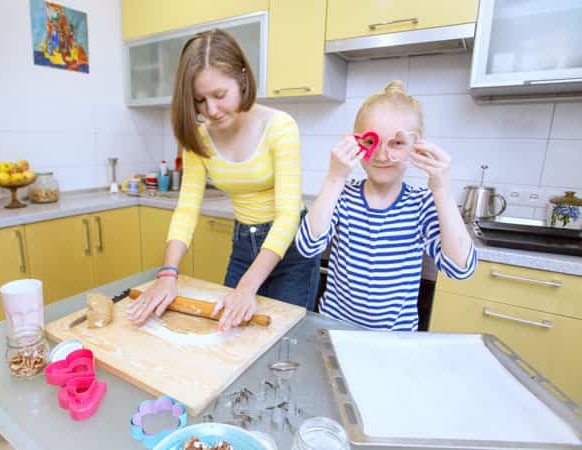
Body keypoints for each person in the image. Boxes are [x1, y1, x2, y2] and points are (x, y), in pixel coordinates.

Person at [128, 29, 320, 331]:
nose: (211, 110)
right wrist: (168, 274)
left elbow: (287, 216)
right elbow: (187, 209)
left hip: (292, 250)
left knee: (285, 339)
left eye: (219, 95)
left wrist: (247, 286)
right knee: (231, 334)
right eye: (200, 100)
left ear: (242, 77)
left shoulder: (280, 127)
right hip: (244, 244)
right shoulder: (199, 137)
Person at [295, 80, 477, 331]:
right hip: (334, 330)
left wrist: (442, 190)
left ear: (417, 147)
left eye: (397, 143)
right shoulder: (343, 196)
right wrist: (335, 177)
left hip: (395, 338)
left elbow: (460, 269)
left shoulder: (422, 203)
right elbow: (307, 246)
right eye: (371, 142)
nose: (381, 155)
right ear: (356, 143)